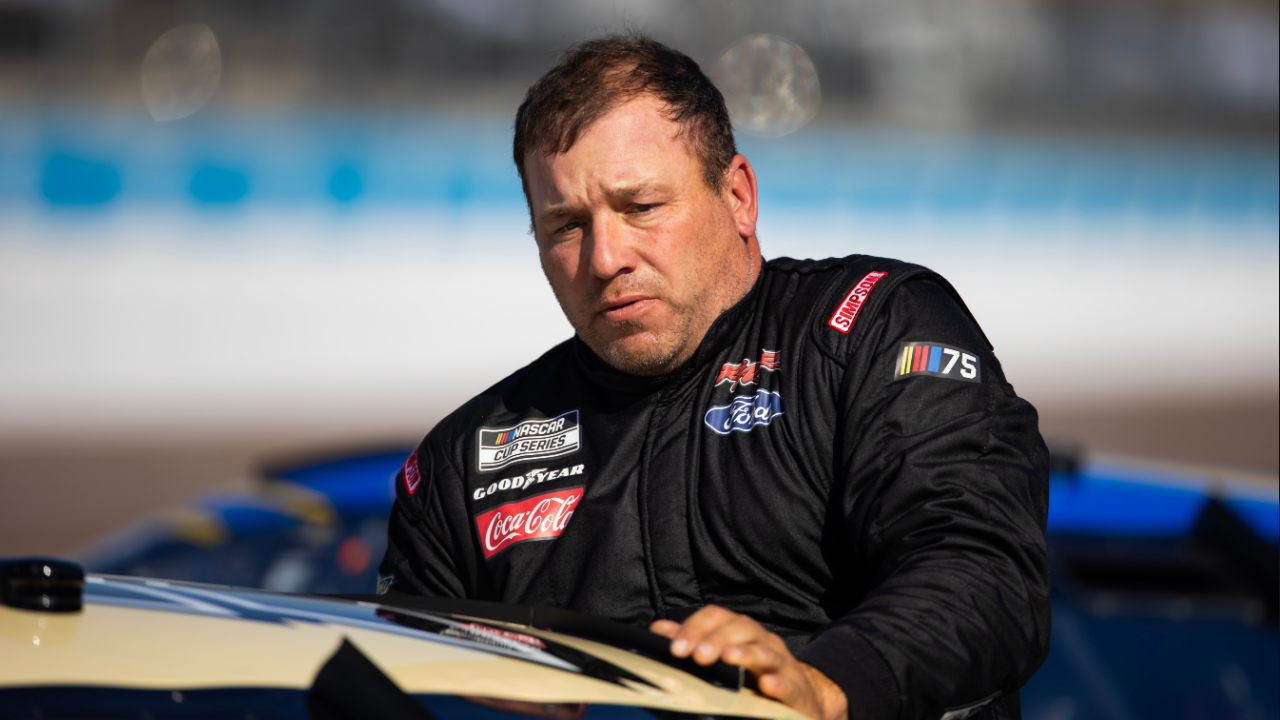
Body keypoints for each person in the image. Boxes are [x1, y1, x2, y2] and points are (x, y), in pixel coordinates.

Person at [379, 33, 1050, 720]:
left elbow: (986, 573)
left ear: (737, 197)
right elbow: (380, 670)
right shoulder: (462, 464)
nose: (606, 257)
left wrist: (821, 686)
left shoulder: (870, 331)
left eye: (641, 207)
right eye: (566, 226)